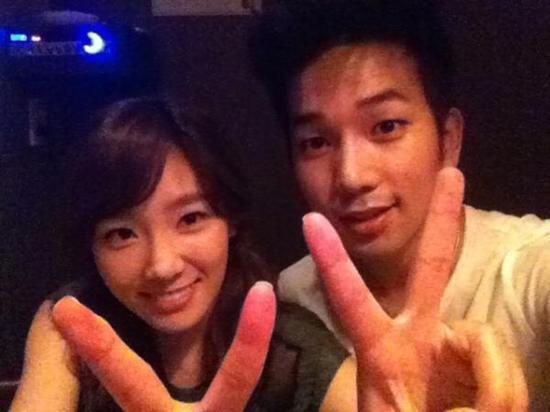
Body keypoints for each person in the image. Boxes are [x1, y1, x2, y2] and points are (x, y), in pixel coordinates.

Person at [248, 0, 550, 409]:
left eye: (386, 126)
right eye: (316, 142)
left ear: (448, 140)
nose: (352, 176)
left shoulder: (527, 269)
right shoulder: (295, 297)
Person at [10, 98, 356, 411]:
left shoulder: (291, 348)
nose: (162, 266)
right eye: (122, 234)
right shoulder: (76, 326)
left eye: (190, 219)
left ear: (230, 220)